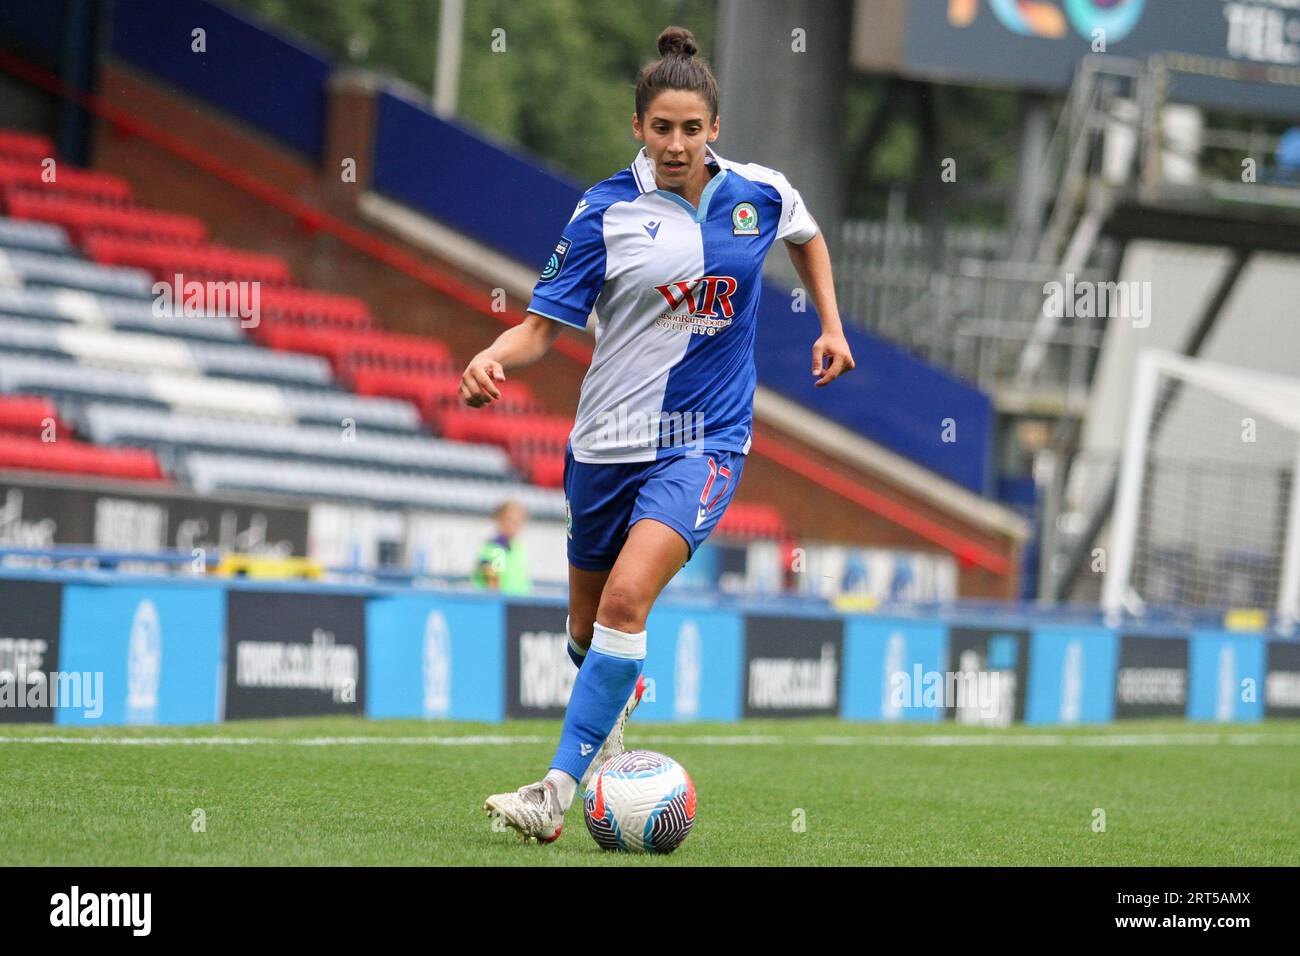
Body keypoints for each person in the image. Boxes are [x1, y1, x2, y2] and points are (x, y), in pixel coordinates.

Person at [462, 25, 855, 843]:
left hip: (705, 440)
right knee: (584, 629)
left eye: (692, 128)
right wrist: (493, 357)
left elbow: (808, 235)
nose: (676, 143)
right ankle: (610, 717)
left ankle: (555, 793)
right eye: (661, 128)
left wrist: (831, 324)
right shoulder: (605, 212)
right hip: (604, 443)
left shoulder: (760, 193)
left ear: (714, 127)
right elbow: (541, 328)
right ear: (638, 127)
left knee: (627, 598)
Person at [469, 500, 531, 594]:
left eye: (518, 522)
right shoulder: (495, 549)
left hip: (518, 603)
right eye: (511, 521)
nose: (515, 526)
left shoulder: (516, 547)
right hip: (502, 605)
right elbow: (492, 585)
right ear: (499, 520)